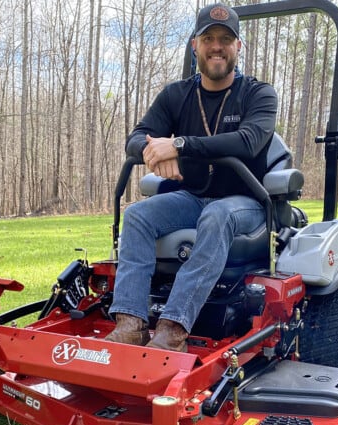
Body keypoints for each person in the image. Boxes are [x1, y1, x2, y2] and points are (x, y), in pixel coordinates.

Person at [107, 3, 278, 352]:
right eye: (209, 38)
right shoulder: (176, 95)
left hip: (245, 201)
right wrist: (152, 152)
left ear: (238, 47)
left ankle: (173, 328)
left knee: (218, 214)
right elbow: (137, 136)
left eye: (226, 39)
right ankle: (130, 323)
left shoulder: (259, 94)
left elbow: (248, 141)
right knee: (137, 215)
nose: (217, 46)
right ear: (195, 45)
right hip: (192, 197)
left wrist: (180, 145)